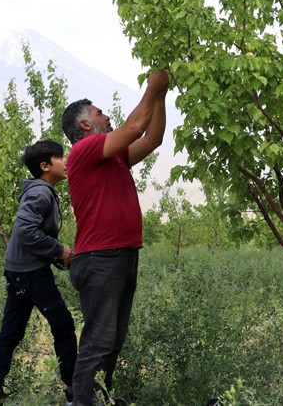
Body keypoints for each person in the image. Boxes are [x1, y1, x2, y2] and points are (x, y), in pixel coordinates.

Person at [61, 69, 169, 405]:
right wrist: (153, 85)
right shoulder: (84, 151)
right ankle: (80, 402)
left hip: (119, 255)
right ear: (85, 125)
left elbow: (152, 139)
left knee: (112, 339)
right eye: (99, 113)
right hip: (100, 259)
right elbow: (135, 127)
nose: (106, 116)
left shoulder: (111, 156)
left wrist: (162, 95)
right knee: (98, 341)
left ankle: (98, 397)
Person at [0, 140, 77, 406]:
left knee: (11, 331)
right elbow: (25, 232)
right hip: (31, 274)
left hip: (18, 271)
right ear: (45, 166)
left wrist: (59, 257)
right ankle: (74, 390)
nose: (67, 161)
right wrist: (59, 250)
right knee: (63, 324)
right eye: (61, 157)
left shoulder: (40, 191)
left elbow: (33, 235)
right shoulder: (42, 193)